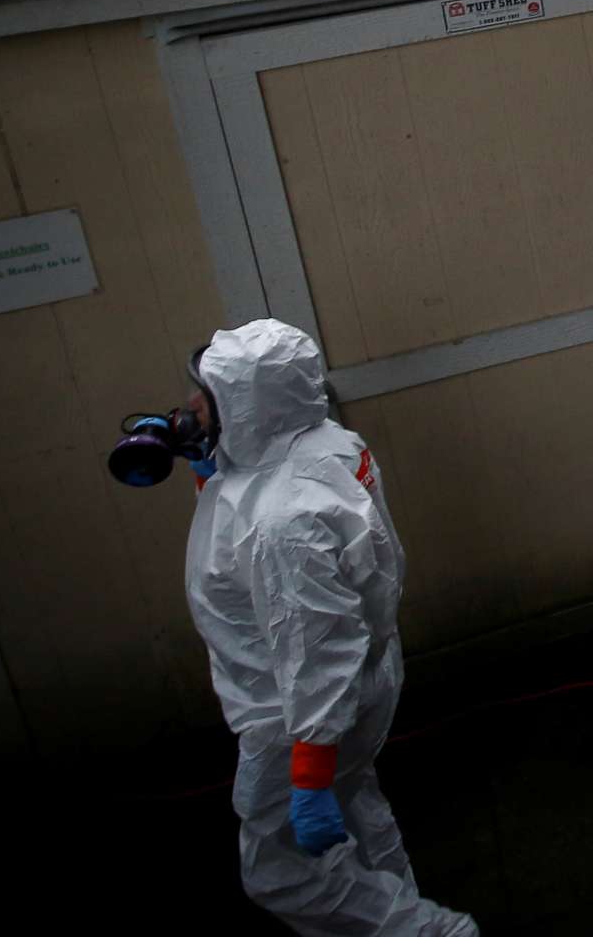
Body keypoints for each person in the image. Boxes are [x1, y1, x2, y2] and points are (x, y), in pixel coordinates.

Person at [176, 320, 478, 936]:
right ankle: (397, 903)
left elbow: (317, 644)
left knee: (282, 870)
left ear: (246, 406)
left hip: (297, 713)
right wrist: (211, 468)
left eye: (205, 394)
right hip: (354, 685)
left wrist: (308, 770)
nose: (190, 406)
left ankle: (429, 934)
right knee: (357, 815)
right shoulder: (322, 442)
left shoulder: (281, 524)